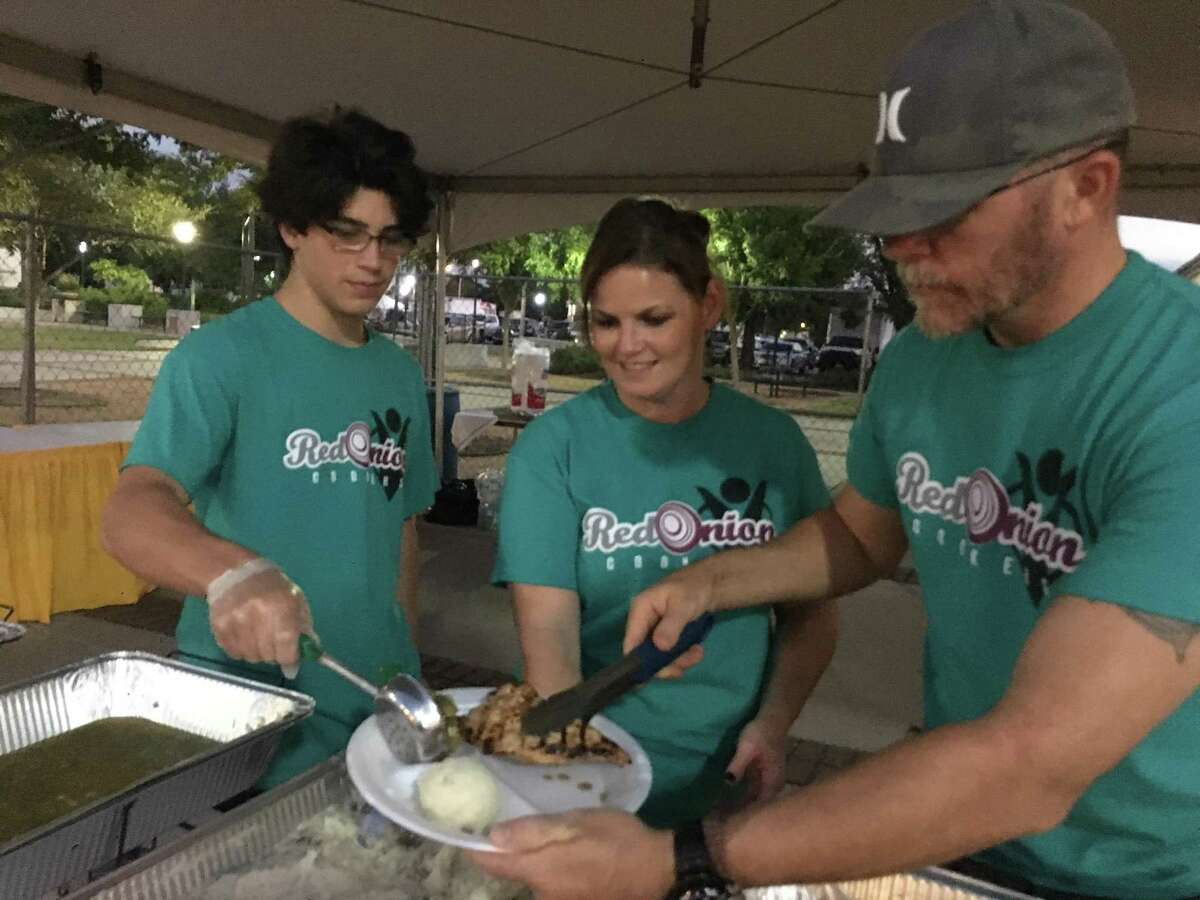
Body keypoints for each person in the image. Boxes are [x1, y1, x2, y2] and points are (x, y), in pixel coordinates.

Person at [471, 2, 1200, 898]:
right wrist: (711, 581)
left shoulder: (1178, 389)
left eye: (944, 213)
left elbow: (1030, 760)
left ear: (1086, 187)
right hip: (955, 832)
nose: (902, 251)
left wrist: (687, 858)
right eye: (893, 213)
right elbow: (861, 540)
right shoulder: (927, 357)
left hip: (1137, 868)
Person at [102, 109, 437, 788]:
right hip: (252, 717)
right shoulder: (221, 357)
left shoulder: (399, 375)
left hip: (373, 703)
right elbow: (133, 509)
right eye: (347, 235)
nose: (373, 261)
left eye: (390, 239)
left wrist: (406, 660)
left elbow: (401, 526)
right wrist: (229, 573)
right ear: (292, 227)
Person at [491, 197, 836, 827]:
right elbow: (549, 646)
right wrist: (583, 788)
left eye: (653, 319)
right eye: (605, 322)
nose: (628, 347)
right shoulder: (554, 448)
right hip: (595, 775)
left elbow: (811, 615)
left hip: (728, 779)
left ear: (709, 305)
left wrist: (773, 724)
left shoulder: (773, 444)